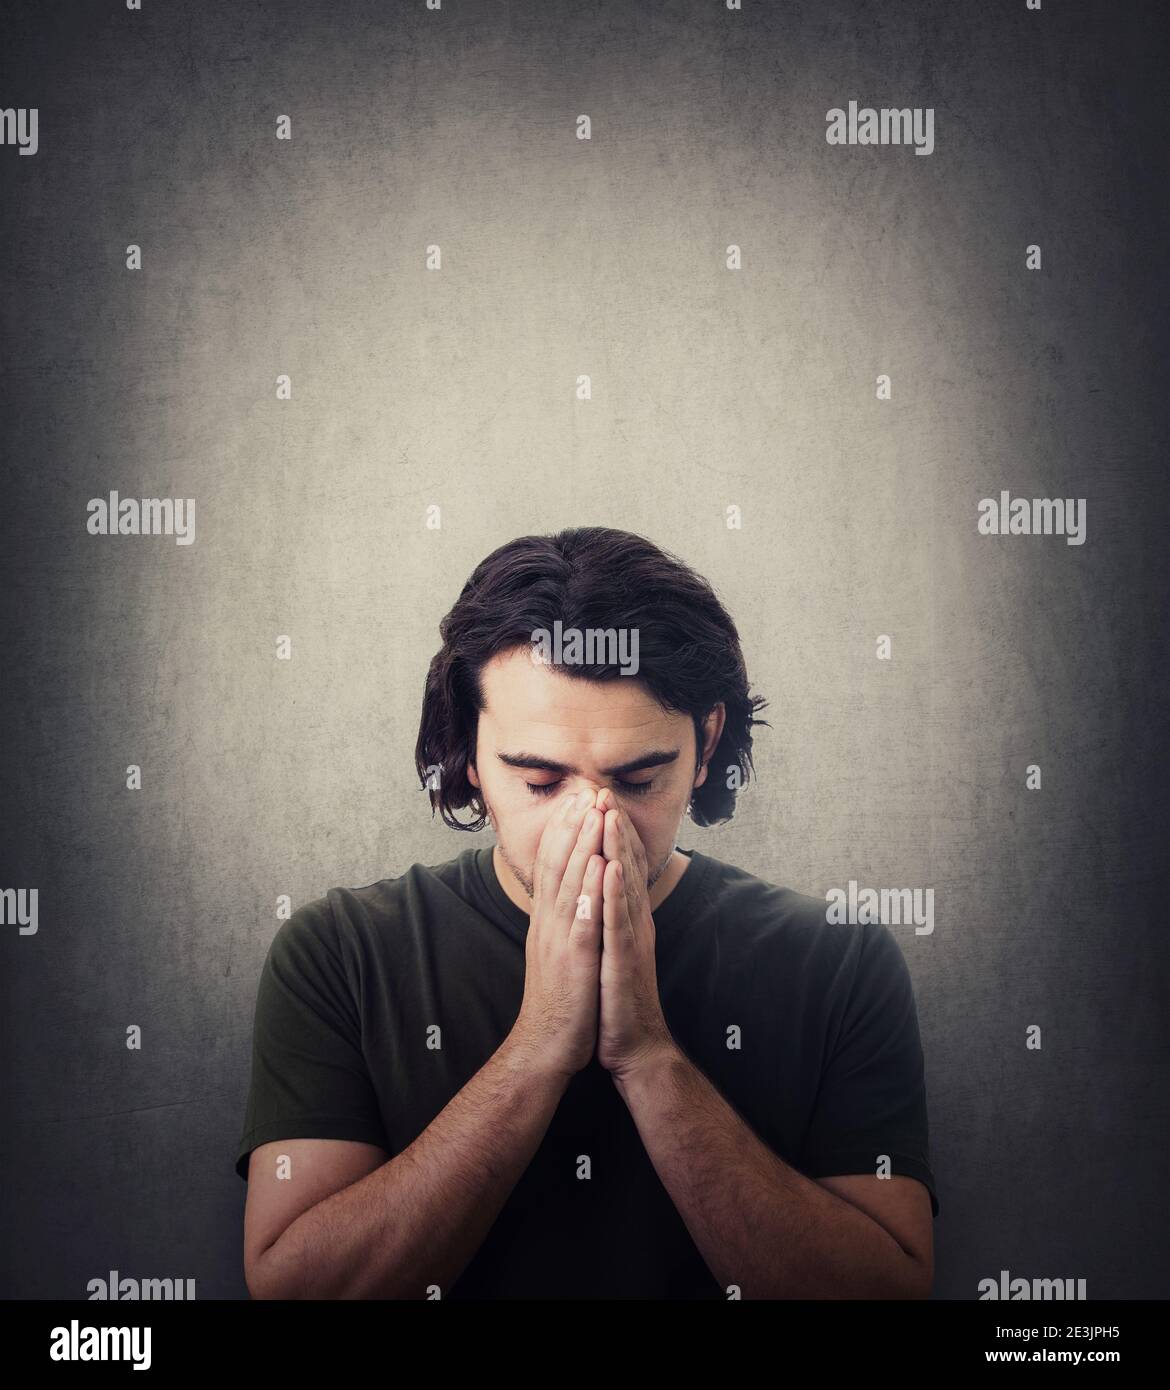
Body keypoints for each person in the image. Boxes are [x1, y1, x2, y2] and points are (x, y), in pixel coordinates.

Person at [235, 526, 937, 1299]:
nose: (594, 823)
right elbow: (295, 1292)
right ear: (469, 752)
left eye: (639, 779)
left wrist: (646, 1054)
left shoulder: (837, 961)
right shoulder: (339, 953)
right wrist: (538, 1048)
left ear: (704, 745)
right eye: (540, 780)